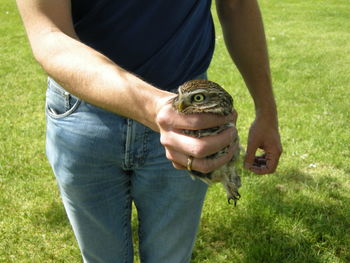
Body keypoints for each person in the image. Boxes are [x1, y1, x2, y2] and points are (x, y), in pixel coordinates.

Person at [16, 0, 282, 262]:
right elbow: (49, 33)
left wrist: (266, 112)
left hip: (187, 115)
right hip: (85, 113)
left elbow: (238, 5)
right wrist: (153, 107)